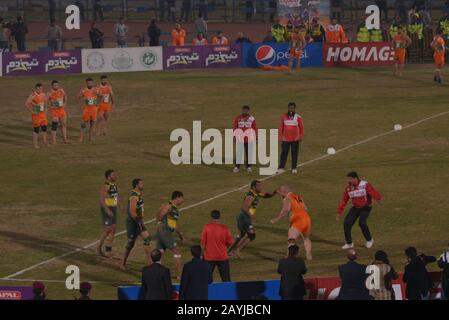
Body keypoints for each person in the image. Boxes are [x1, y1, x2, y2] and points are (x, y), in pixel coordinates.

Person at [229, 180, 277, 258]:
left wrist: (274, 193)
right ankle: (236, 250)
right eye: (259, 186)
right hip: (245, 217)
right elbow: (245, 208)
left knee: (241, 235)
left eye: (261, 185)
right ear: (253, 187)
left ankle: (230, 250)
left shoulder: (255, 193)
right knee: (251, 235)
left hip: (242, 216)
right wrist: (252, 218)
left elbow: (265, 195)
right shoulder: (251, 196)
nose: (261, 187)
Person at [337, 172, 381, 250]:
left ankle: (369, 240)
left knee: (362, 222)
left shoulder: (365, 185)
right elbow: (344, 200)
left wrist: (377, 198)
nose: (349, 181)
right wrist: (339, 211)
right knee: (347, 223)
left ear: (356, 178)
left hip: (366, 207)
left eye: (350, 179)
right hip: (355, 207)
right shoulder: (348, 188)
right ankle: (349, 243)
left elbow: (372, 192)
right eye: (348, 179)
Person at [270, 185, 312, 261]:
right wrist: (277, 191)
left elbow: (285, 211)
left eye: (281, 192)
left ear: (285, 192)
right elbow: (305, 207)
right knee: (306, 238)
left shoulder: (287, 199)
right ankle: (309, 256)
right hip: (307, 219)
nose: (281, 195)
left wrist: (276, 219)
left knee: (291, 240)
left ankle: (289, 257)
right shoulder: (298, 196)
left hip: (298, 220)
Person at [121, 178, 152, 270]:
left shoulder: (138, 194)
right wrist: (138, 221)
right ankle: (122, 263)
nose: (143, 185)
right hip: (133, 222)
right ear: (136, 185)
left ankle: (150, 263)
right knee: (130, 243)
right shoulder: (134, 196)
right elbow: (132, 211)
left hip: (138, 221)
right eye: (141, 183)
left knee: (147, 238)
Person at [155, 191, 186, 280]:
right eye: (182, 198)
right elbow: (160, 215)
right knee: (177, 252)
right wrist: (159, 223)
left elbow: (174, 224)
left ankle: (156, 274)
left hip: (164, 233)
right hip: (165, 233)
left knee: (159, 253)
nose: (183, 200)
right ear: (177, 198)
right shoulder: (168, 206)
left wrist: (180, 235)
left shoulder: (174, 209)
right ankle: (180, 275)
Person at [201, 210, 233, 282]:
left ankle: (208, 293)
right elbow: (230, 243)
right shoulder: (225, 228)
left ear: (211, 217)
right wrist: (226, 251)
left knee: (207, 280)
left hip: (209, 258)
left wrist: (201, 254)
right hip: (222, 257)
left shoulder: (206, 227)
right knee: (226, 280)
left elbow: (203, 243)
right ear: (219, 217)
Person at [277, 102, 304, 174]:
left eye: (292, 108)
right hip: (285, 139)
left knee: (294, 154)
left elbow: (301, 127)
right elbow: (281, 128)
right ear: (288, 108)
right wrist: (280, 138)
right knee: (284, 153)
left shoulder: (298, 117)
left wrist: (301, 136)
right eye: (290, 108)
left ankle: (294, 168)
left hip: (295, 139)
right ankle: (281, 167)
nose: (291, 109)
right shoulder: (284, 116)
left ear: (294, 109)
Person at [97, 169, 119, 257]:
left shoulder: (113, 185)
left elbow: (116, 196)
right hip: (107, 209)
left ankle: (108, 251)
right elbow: (101, 200)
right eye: (113, 175)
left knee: (113, 229)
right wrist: (107, 210)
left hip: (113, 208)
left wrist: (120, 205)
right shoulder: (105, 186)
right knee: (107, 230)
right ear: (108, 177)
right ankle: (98, 248)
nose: (115, 176)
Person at [233, 105, 257, 173]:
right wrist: (234, 137)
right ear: (242, 110)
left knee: (249, 153)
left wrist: (256, 137)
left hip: (249, 139)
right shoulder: (238, 118)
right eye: (244, 110)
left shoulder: (252, 118)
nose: (245, 111)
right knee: (239, 153)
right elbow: (235, 128)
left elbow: (254, 128)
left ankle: (249, 167)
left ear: (248, 111)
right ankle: (237, 167)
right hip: (240, 139)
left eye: (246, 110)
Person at [25, 83, 48, 149]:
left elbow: (45, 103)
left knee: (44, 128)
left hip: (42, 114)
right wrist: (32, 112)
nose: (39, 90)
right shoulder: (33, 95)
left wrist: (46, 110)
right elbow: (26, 104)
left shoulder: (43, 94)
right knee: (36, 130)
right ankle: (35, 145)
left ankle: (45, 142)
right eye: (38, 89)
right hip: (36, 115)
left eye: (41, 89)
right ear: (35, 89)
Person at [77, 78, 98, 143]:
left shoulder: (95, 90)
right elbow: (78, 97)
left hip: (94, 109)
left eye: (91, 83)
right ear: (86, 83)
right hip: (87, 109)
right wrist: (81, 106)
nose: (89, 84)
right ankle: (81, 137)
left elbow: (101, 96)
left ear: (92, 83)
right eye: (88, 83)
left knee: (92, 123)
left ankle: (90, 137)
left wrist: (98, 104)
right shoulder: (83, 90)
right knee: (84, 124)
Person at [47, 80, 68, 144]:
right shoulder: (49, 93)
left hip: (61, 110)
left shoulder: (61, 90)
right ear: (52, 86)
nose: (56, 86)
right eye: (54, 85)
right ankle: (54, 141)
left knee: (63, 124)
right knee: (54, 125)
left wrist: (65, 104)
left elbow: (65, 96)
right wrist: (51, 107)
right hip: (54, 111)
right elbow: (45, 101)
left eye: (57, 85)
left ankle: (64, 139)